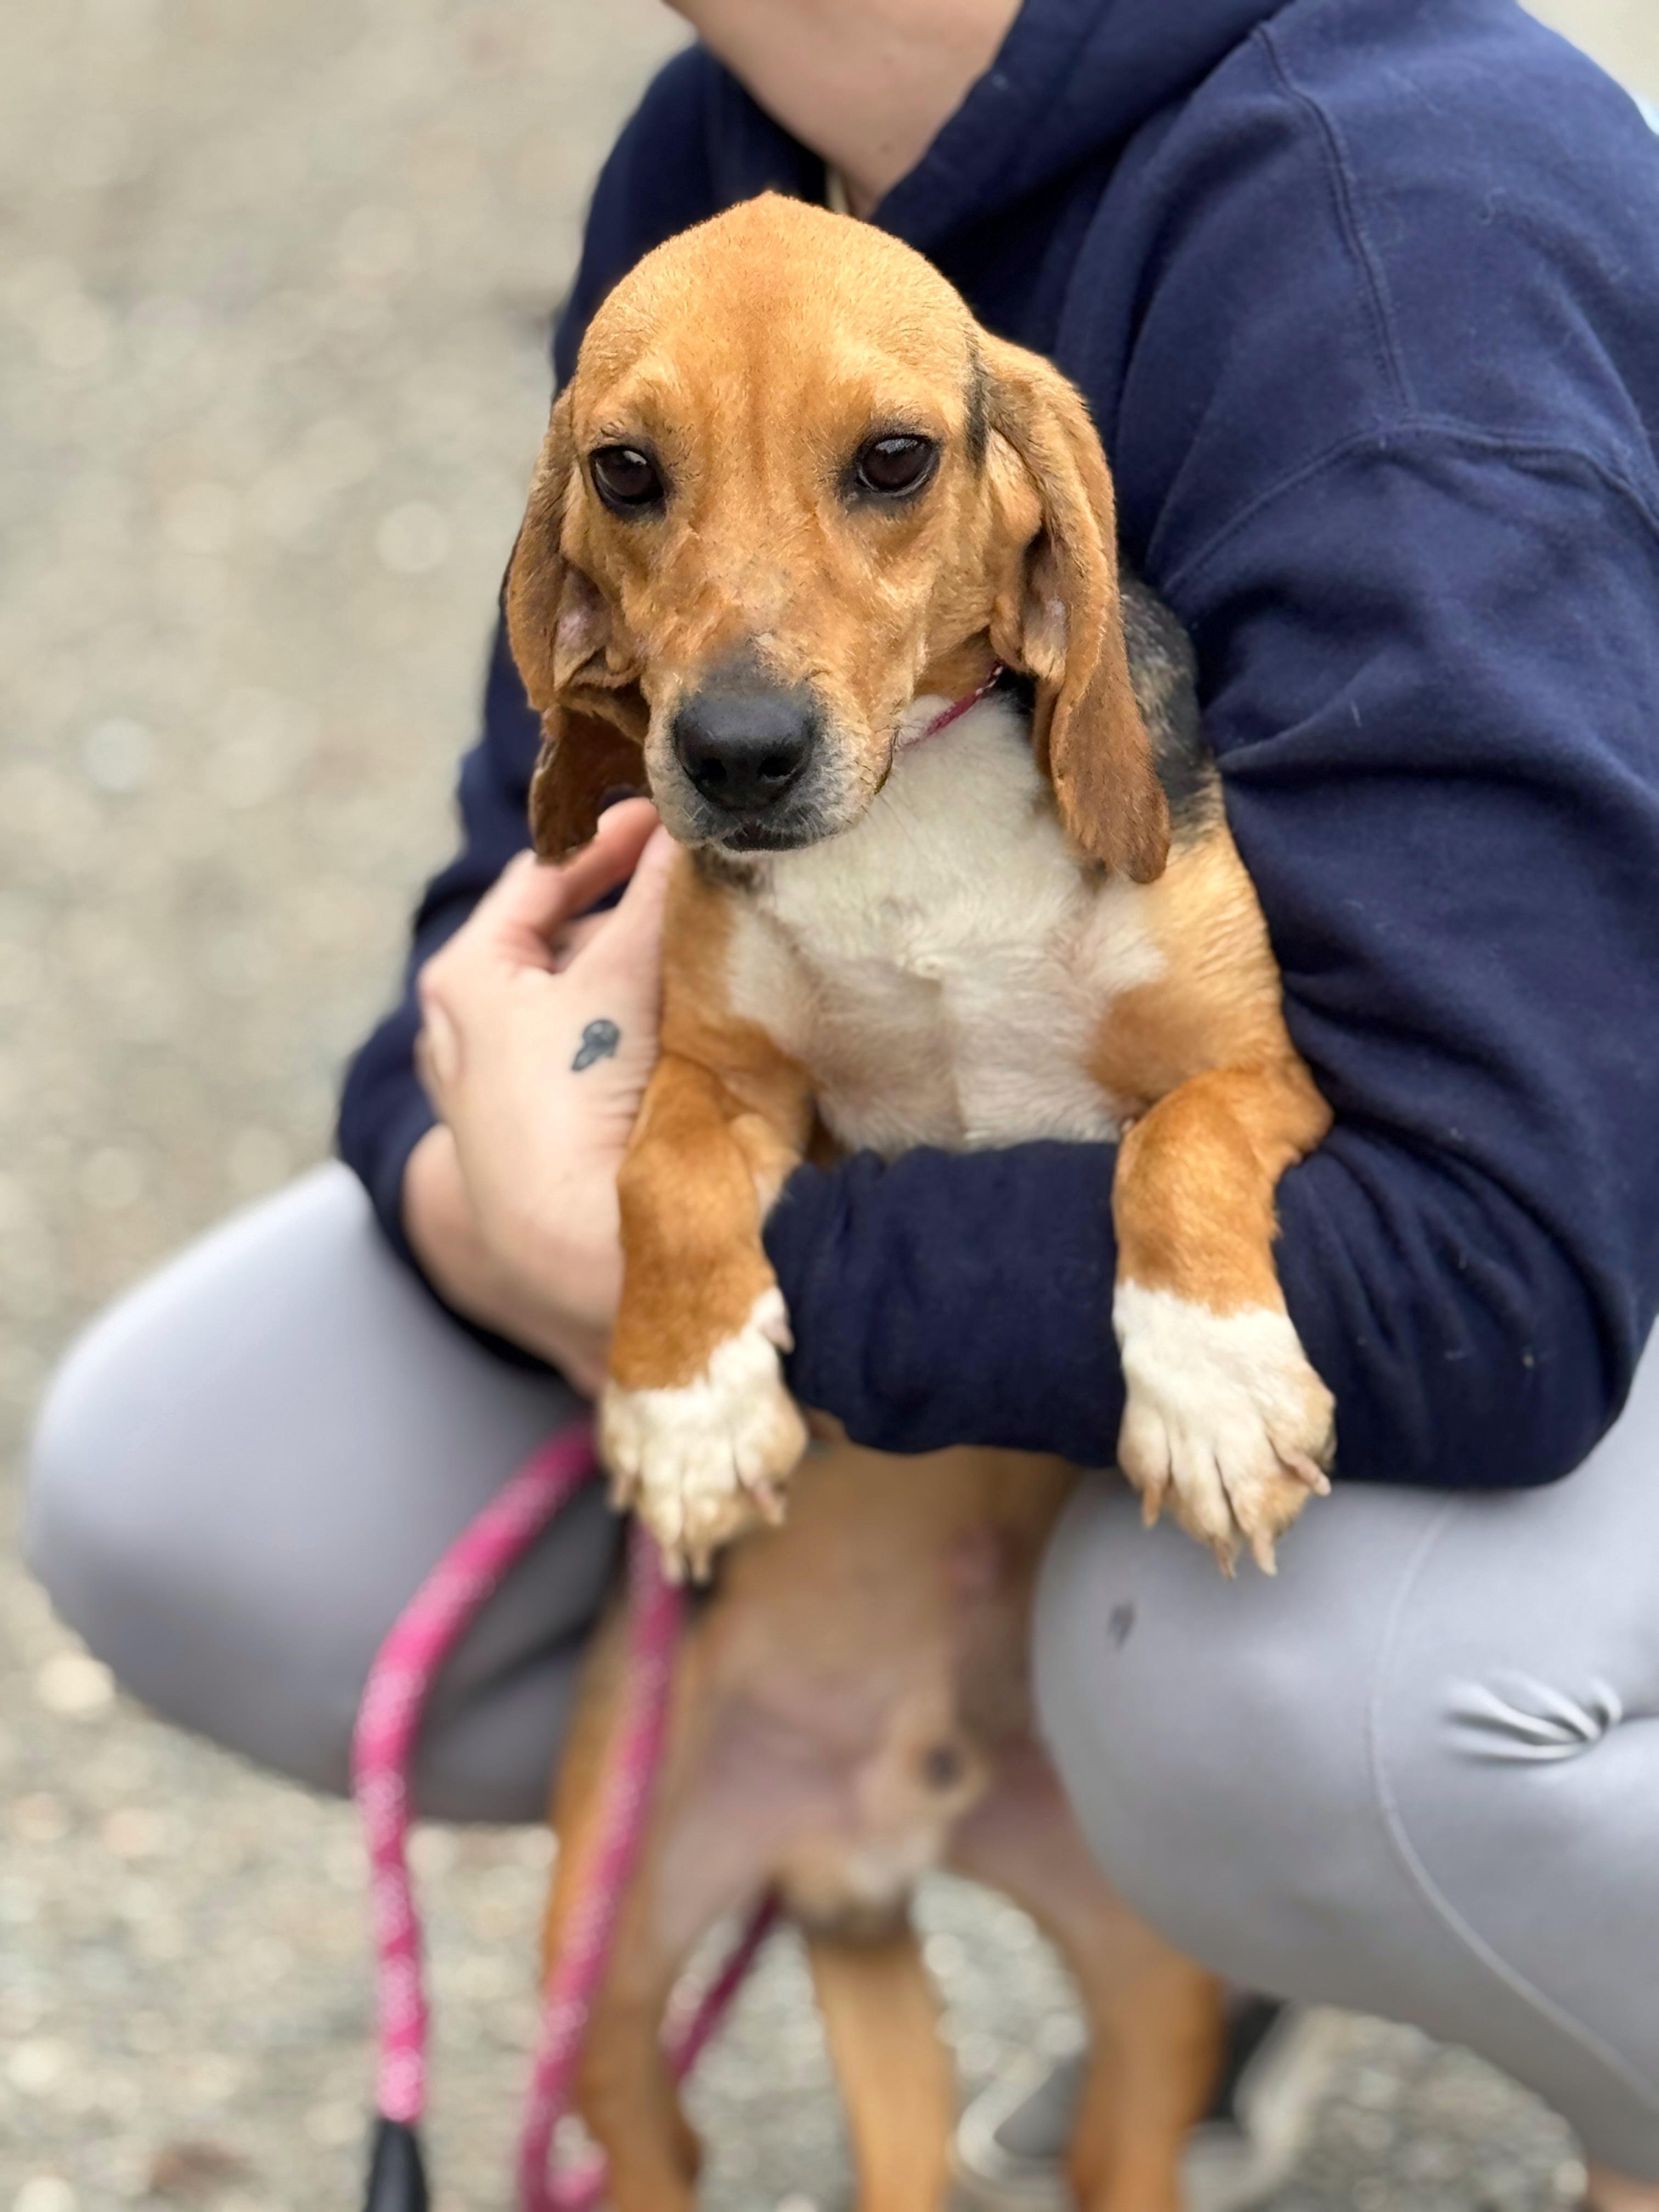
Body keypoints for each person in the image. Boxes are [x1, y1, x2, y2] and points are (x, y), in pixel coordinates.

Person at [27, 1, 1659, 2205]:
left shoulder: (1403, 219)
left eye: (886, 472)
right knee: (180, 1485)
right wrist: (480, 1176)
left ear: (1022, 511)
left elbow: (1505, 1276)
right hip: (904, 1206)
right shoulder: (722, 169)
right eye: (637, 480)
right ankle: (1069, 1821)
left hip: (1548, 1242)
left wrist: (697, 1272)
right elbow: (509, 897)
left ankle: (1465, 1945)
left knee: (1266, 1719)